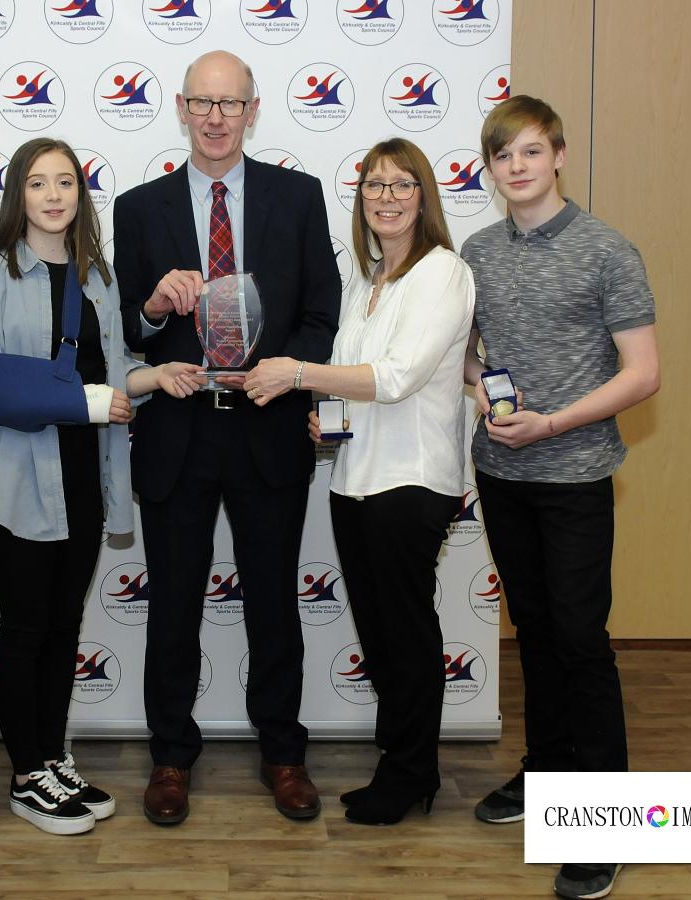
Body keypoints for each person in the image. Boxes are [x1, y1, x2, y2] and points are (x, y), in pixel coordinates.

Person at [112, 50, 341, 825]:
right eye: (202, 103)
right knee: (174, 603)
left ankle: (284, 753)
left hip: (267, 426)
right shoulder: (139, 208)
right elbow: (124, 331)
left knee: (274, 601)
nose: (216, 118)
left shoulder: (297, 197)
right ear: (181, 108)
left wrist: (290, 371)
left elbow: (322, 309)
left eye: (231, 103)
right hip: (177, 429)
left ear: (252, 110)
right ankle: (171, 756)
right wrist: (153, 308)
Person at [0, 138, 202, 836]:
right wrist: (89, 401)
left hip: (85, 478)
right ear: (17, 195)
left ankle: (50, 757)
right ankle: (26, 775)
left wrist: (156, 378)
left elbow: (112, 373)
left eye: (65, 182)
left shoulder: (98, 277)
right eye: (38, 183)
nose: (54, 195)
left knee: (63, 629)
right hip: (17, 481)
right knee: (26, 630)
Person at [460, 95, 660, 900]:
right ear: (491, 168)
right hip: (501, 474)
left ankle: (603, 823)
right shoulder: (477, 251)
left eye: (531, 152)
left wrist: (552, 424)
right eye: (503, 155)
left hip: (574, 476)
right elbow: (467, 356)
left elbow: (643, 374)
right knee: (535, 634)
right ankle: (544, 773)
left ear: (560, 156)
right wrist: (482, 388)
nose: (517, 167)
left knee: (580, 642)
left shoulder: (608, 250)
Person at [244, 138, 475, 825]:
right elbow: (356, 373)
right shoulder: (369, 279)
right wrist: (331, 421)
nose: (387, 197)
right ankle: (398, 763)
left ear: (424, 197)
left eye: (402, 184)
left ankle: (412, 772)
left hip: (412, 483)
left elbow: (399, 377)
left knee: (405, 635)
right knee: (380, 635)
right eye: (374, 185)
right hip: (355, 481)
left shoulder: (442, 272)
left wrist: (297, 373)